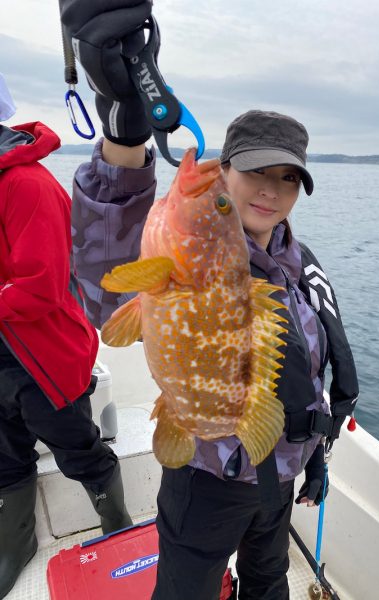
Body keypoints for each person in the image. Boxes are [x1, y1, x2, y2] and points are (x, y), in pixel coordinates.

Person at [61, 2, 359, 598]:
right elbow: (105, 276)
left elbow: (307, 365)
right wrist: (124, 137)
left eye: (289, 178)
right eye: (254, 175)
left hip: (280, 480)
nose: (272, 192)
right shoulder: (187, 259)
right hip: (208, 479)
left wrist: (315, 452)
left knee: (269, 582)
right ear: (225, 174)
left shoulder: (301, 265)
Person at [0, 73, 133, 599]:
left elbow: (43, 287)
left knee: (79, 448)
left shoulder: (26, 185)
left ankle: (117, 521)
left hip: (45, 359)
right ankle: (16, 544)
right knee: (5, 454)